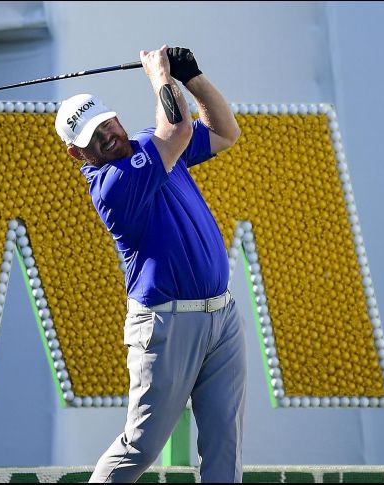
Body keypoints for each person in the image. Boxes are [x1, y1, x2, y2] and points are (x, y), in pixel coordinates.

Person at [54, 45, 246, 483]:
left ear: (115, 117)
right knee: (139, 447)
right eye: (90, 137)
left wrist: (192, 76)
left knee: (225, 447)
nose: (105, 136)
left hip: (222, 317)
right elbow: (177, 132)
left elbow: (225, 132)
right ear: (76, 154)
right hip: (165, 324)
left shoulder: (150, 143)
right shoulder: (111, 183)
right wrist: (160, 73)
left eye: (105, 123)